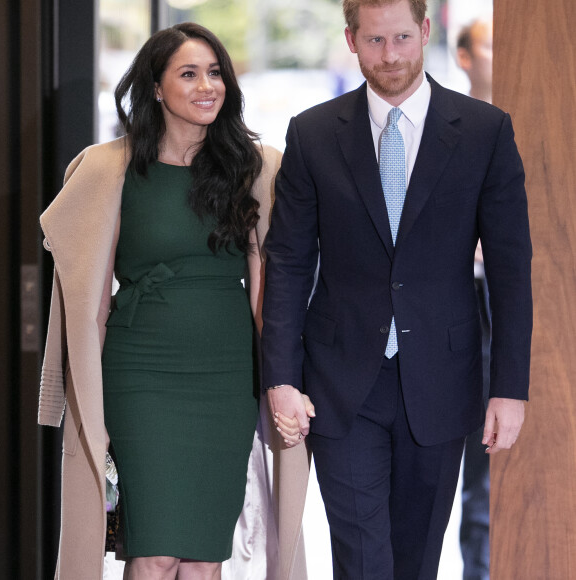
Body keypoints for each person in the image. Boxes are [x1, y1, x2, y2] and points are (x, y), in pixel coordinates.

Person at [261, 1, 532, 579]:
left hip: (442, 378)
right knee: (361, 560)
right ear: (351, 40)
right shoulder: (312, 134)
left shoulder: (486, 132)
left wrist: (510, 388)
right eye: (376, 40)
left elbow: (510, 270)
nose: (391, 56)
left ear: (427, 33)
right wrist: (281, 378)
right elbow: (285, 260)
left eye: (403, 38)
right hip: (340, 384)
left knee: (416, 562)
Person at [38, 22, 281, 580]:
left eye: (215, 72)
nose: (207, 86)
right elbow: (91, 303)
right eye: (189, 73)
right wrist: (84, 406)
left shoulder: (255, 167)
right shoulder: (112, 169)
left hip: (225, 377)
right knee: (153, 554)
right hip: (140, 374)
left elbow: (268, 290)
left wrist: (282, 381)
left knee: (201, 558)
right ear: (155, 87)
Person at [455, 19, 494, 580]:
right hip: (462, 300)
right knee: (472, 470)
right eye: (491, 44)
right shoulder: (448, 127)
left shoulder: (545, 121)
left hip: (509, 300)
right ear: (463, 56)